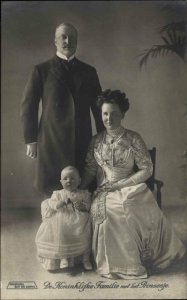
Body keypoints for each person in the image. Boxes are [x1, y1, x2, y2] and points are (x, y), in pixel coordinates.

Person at [80, 89, 186, 279]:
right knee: (111, 209)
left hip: (130, 186)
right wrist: (80, 190)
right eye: (105, 113)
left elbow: (147, 168)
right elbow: (89, 169)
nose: (109, 118)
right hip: (104, 189)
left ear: (122, 114)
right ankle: (118, 264)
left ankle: (137, 259)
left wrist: (122, 185)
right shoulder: (96, 141)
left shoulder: (133, 138)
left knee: (127, 204)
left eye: (114, 113)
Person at [21, 23, 104, 196]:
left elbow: (99, 108)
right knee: (53, 191)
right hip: (52, 140)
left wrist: (104, 137)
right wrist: (31, 140)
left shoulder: (89, 71)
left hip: (82, 139)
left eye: (72, 37)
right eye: (63, 37)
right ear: (55, 41)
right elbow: (29, 106)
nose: (68, 41)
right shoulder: (41, 70)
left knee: (82, 188)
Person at [35, 166, 92, 271]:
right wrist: (58, 204)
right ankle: (63, 257)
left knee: (86, 232)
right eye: (65, 179)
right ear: (61, 182)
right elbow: (50, 203)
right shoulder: (58, 194)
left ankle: (85, 259)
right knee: (60, 229)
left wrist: (83, 207)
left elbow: (89, 205)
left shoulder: (83, 194)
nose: (69, 181)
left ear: (79, 181)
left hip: (79, 220)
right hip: (63, 219)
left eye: (72, 178)